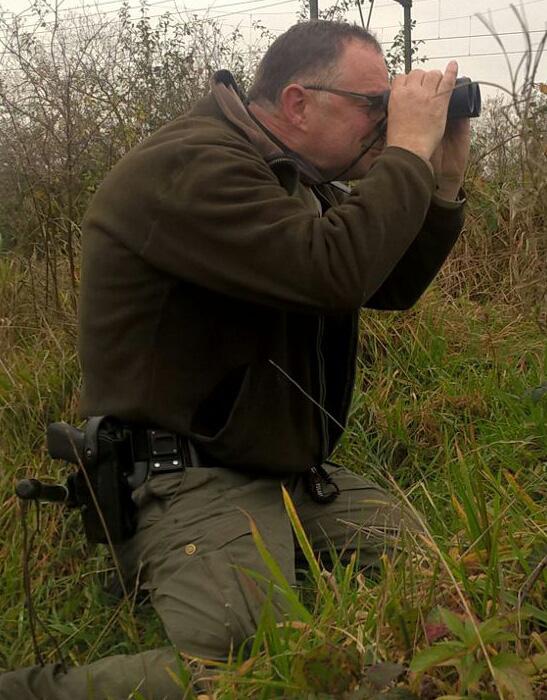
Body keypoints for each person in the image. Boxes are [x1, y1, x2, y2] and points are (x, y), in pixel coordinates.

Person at [0, 20, 470, 700]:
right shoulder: (192, 166)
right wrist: (406, 151)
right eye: (373, 104)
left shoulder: (290, 172)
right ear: (297, 102)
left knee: (438, 583)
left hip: (283, 470)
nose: (385, 118)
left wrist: (440, 179)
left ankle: (246, 585)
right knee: (258, 663)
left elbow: (383, 281)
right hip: (182, 475)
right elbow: (333, 271)